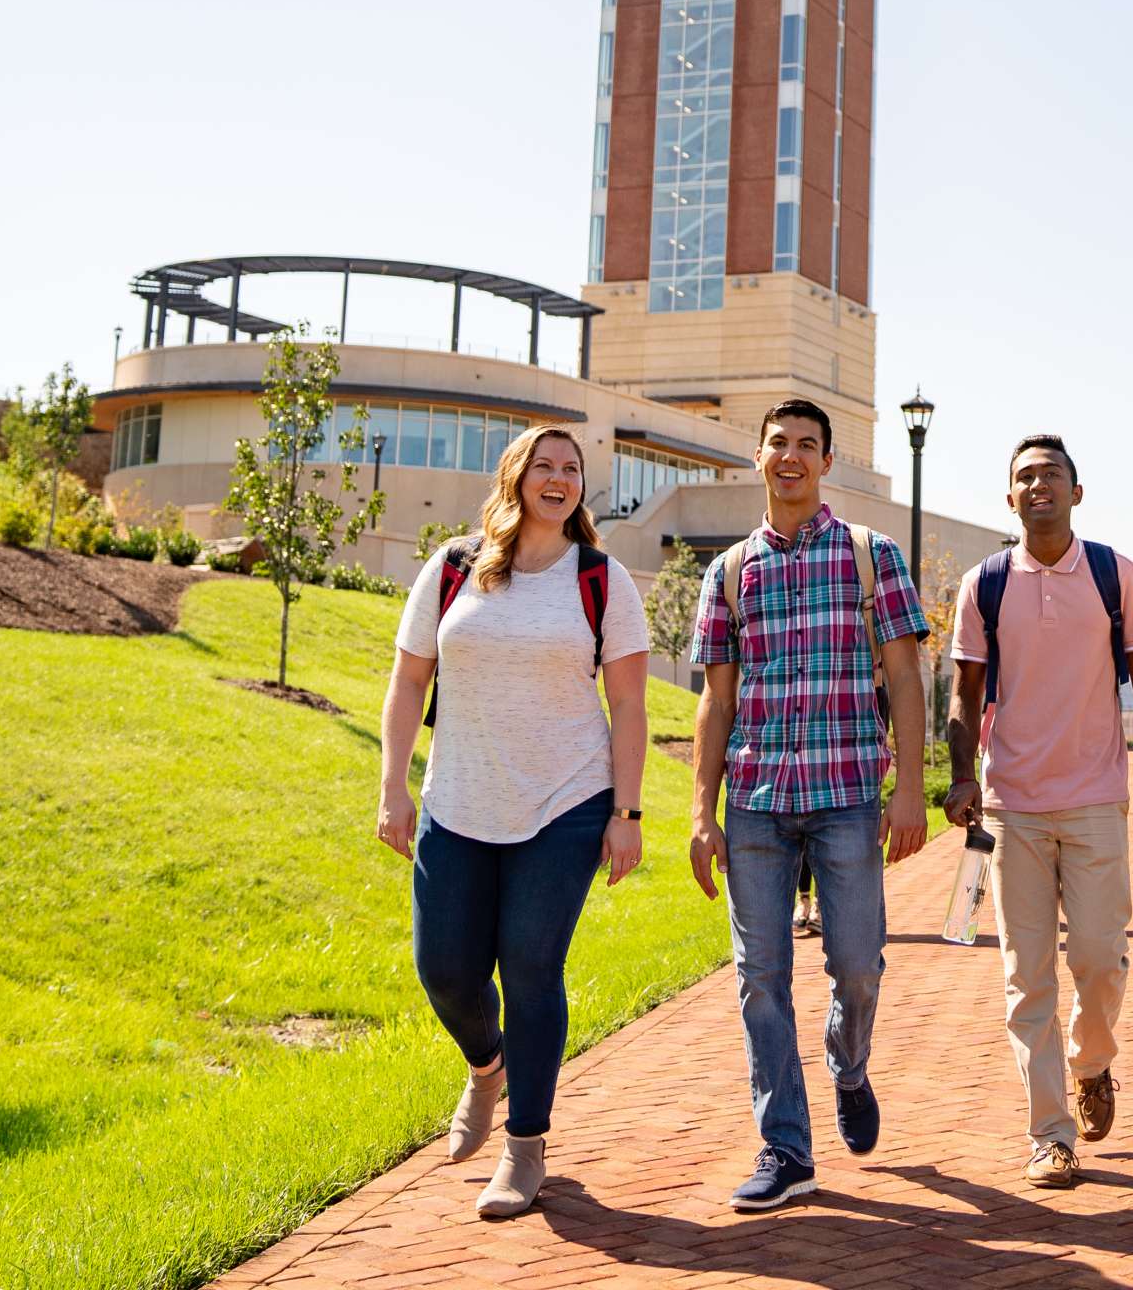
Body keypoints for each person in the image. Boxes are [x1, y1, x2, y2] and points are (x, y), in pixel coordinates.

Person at [376, 427, 648, 1220]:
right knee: (447, 972)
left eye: (572, 469)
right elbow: (406, 681)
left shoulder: (602, 579)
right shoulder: (455, 567)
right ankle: (485, 1065)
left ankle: (525, 1147)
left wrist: (626, 813)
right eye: (544, 466)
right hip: (457, 801)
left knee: (530, 967)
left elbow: (629, 704)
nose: (558, 479)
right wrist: (393, 785)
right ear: (516, 477)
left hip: (564, 804)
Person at [685, 399, 930, 1212]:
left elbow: (903, 678)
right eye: (778, 443)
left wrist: (906, 791)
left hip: (849, 794)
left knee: (858, 967)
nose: (791, 456)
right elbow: (716, 704)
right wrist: (699, 811)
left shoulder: (871, 555)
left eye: (807, 446)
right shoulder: (725, 572)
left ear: (826, 462)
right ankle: (785, 1148)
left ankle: (848, 1065)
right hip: (755, 797)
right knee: (760, 980)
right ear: (758, 456)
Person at [944, 433, 1133, 1189]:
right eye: (1024, 476)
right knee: (1028, 977)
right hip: (1012, 805)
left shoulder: (1117, 576)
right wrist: (958, 778)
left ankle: (1093, 1062)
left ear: (1076, 493)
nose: (1038, 483)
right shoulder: (984, 583)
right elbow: (964, 694)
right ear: (1009, 498)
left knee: (1099, 960)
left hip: (1095, 800)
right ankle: (1051, 1134)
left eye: (1051, 474)